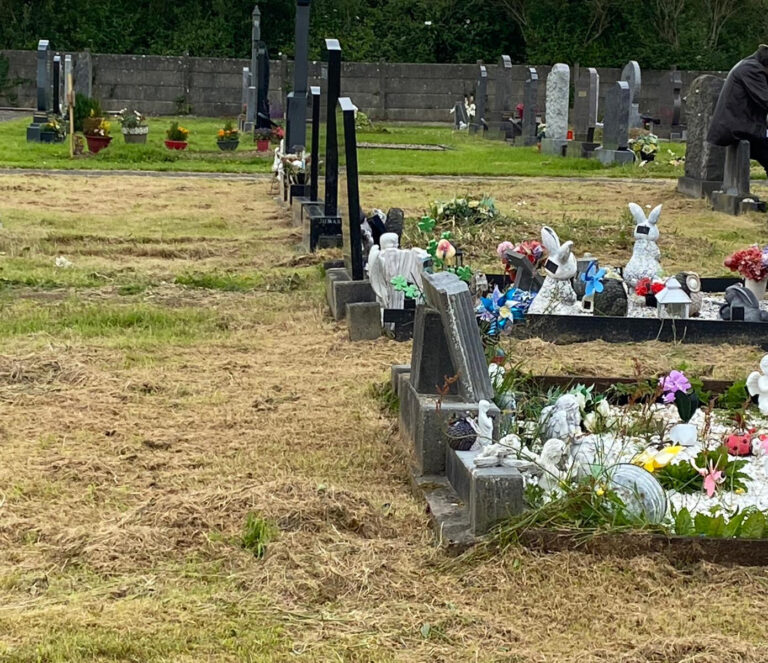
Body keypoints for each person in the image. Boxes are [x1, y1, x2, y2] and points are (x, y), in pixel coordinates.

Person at [708, 45, 768, 177]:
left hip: (740, 125)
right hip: (738, 129)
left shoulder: (750, 65)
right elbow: (765, 100)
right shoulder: (752, 70)